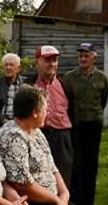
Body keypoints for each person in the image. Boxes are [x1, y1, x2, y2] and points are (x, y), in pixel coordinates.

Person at [65, 43, 108, 205]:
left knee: (91, 161)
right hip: (76, 123)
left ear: (94, 57)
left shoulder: (102, 78)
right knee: (76, 160)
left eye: (86, 56)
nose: (83, 59)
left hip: (94, 123)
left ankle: (88, 199)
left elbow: (103, 100)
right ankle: (75, 197)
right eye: (80, 56)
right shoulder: (69, 78)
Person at [28, 45, 76, 188]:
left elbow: (73, 111)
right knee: (38, 173)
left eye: (55, 60)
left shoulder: (65, 84)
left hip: (62, 136)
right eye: (48, 60)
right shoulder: (29, 85)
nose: (52, 64)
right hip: (37, 135)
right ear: (37, 62)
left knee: (63, 173)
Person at [0, 53, 25, 135]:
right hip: (0, 126)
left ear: (18, 68)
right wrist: (3, 121)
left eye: (11, 65)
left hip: (22, 125)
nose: (8, 67)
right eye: (6, 65)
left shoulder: (26, 83)